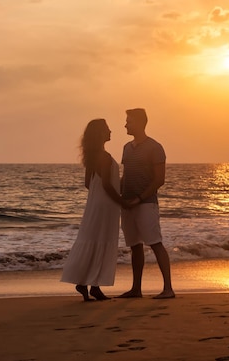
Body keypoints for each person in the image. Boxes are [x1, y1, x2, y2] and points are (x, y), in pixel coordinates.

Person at [61, 119, 123, 301]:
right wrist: (121, 201)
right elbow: (107, 185)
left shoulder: (92, 156)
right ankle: (94, 285)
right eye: (107, 129)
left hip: (95, 203)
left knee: (93, 238)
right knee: (102, 239)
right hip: (107, 205)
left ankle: (86, 283)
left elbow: (88, 183)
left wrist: (99, 196)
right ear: (100, 134)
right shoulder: (104, 156)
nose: (111, 131)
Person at [118, 108, 175, 299]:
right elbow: (125, 176)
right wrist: (118, 196)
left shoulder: (155, 147)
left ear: (141, 123)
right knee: (135, 245)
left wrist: (140, 199)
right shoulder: (126, 147)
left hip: (146, 203)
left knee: (155, 243)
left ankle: (168, 289)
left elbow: (159, 179)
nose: (126, 124)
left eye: (129, 121)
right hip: (127, 203)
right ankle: (136, 289)